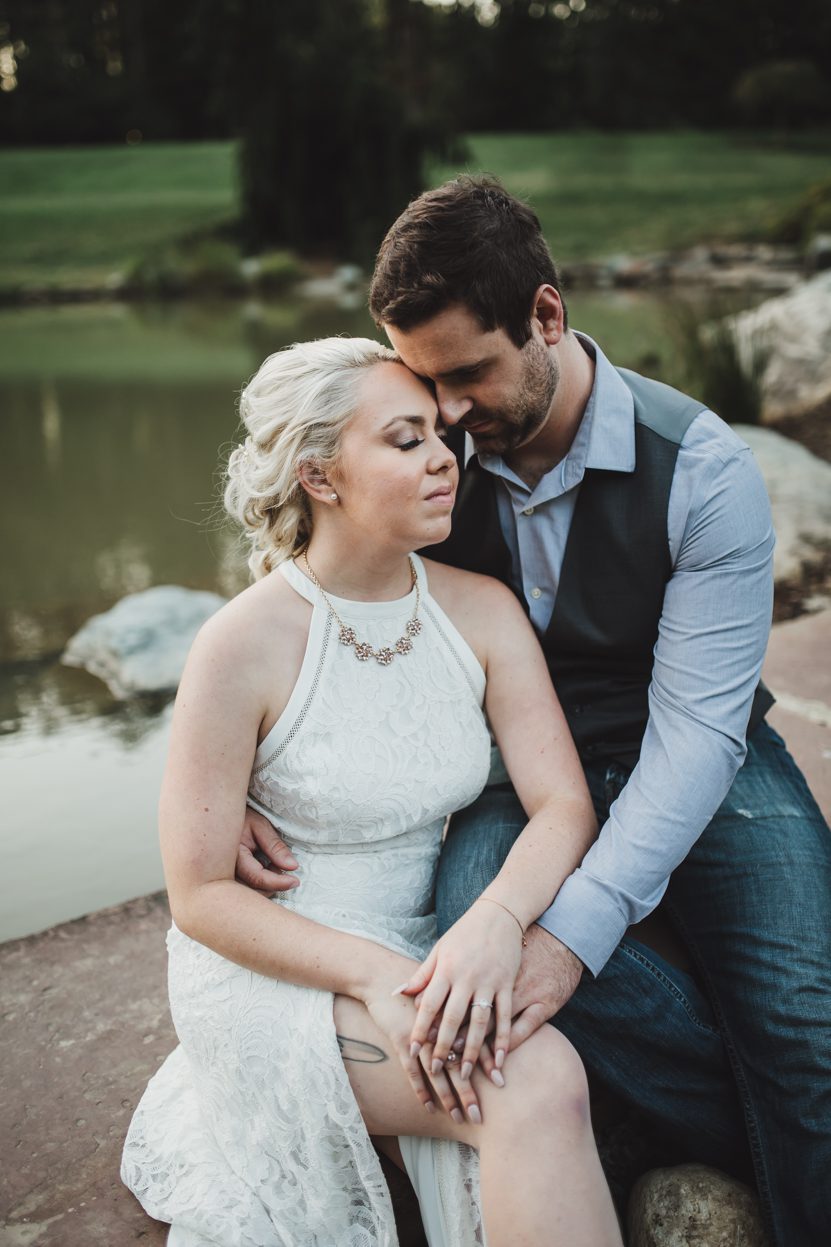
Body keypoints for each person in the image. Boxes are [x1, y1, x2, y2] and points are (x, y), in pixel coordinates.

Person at [239, 178, 831, 1247]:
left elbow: (695, 740)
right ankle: (755, 1126)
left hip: (697, 750)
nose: (445, 414)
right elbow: (303, 544)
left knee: (801, 1013)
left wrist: (565, 938)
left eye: (467, 374)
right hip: (507, 774)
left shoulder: (703, 470)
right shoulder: (425, 455)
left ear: (546, 316)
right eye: (424, 382)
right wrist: (250, 761)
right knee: (479, 968)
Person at [121, 336, 624, 1247]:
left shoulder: (480, 609)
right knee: (535, 1081)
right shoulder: (239, 644)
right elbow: (198, 895)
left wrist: (496, 919)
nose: (444, 457)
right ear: (319, 476)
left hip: (431, 943)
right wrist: (371, 975)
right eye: (404, 439)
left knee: (533, 1080)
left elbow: (563, 805)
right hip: (279, 968)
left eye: (437, 433)